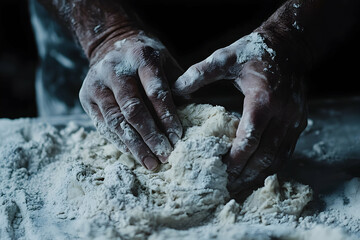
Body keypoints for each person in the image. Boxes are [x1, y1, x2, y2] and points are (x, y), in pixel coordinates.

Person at [30, 0, 359, 199]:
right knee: (117, 116)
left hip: (291, 28)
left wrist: (289, 40)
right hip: (94, 34)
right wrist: (105, 35)